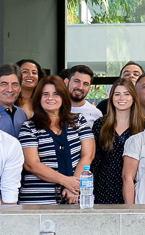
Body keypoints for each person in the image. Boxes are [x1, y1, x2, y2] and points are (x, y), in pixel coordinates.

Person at [18, 76, 94, 205]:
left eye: (56, 94)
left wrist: (73, 187)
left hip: (74, 198)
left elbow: (88, 155)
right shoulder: (29, 127)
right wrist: (66, 181)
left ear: (63, 97)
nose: (50, 98)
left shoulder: (78, 121)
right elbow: (31, 164)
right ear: (38, 98)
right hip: (38, 202)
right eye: (45, 94)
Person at [91, 79, 145, 205]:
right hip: (105, 187)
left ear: (133, 97)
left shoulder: (144, 126)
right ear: (111, 98)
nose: (122, 98)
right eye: (117, 94)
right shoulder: (100, 124)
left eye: (126, 94)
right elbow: (95, 161)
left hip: (135, 187)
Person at [0, 64, 28, 139]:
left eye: (14, 84)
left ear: (20, 88)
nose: (10, 89)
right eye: (4, 84)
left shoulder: (21, 114)